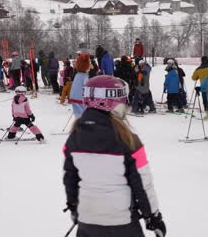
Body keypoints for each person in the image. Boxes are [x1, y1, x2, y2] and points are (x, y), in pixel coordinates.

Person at [62, 75, 166, 237]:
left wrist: (75, 207)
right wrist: (152, 216)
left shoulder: (74, 137)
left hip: (88, 220)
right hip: (122, 222)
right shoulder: (128, 140)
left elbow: (70, 178)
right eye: (122, 103)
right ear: (112, 104)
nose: (125, 108)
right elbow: (143, 183)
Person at [70, 54, 90, 118]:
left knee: (77, 113)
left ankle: (78, 122)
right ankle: (81, 123)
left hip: (73, 96)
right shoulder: (84, 76)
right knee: (83, 113)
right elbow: (87, 86)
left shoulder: (77, 75)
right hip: (80, 98)